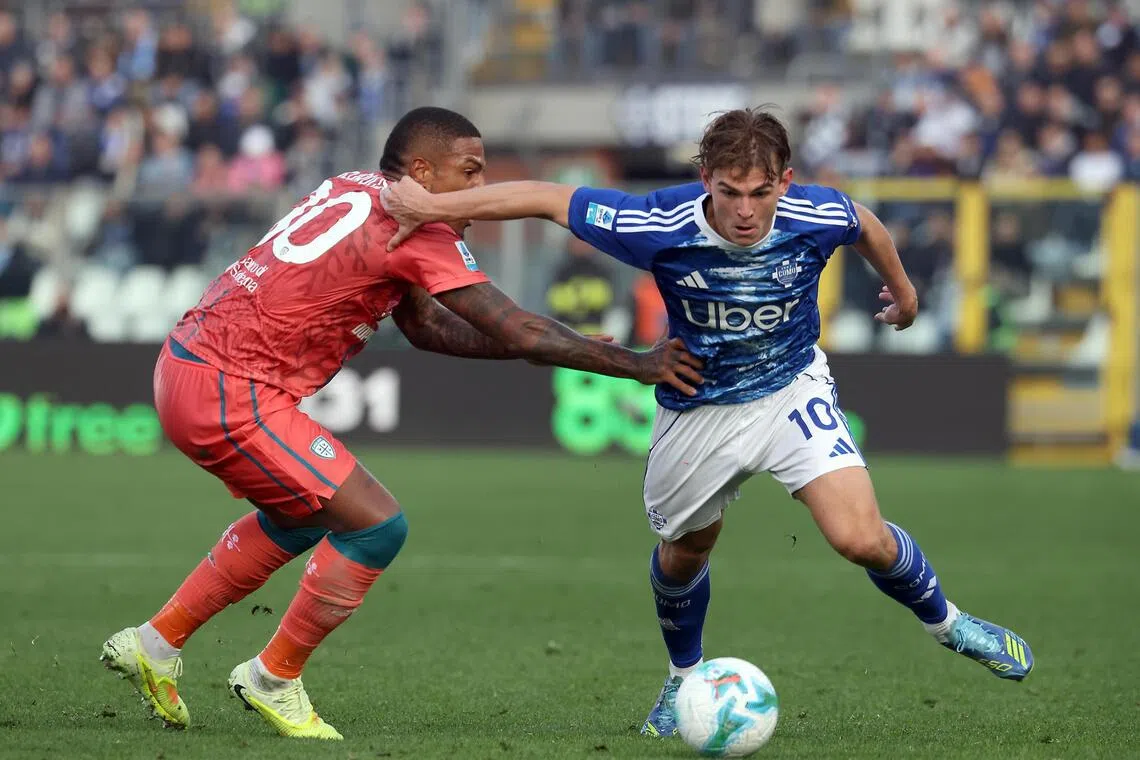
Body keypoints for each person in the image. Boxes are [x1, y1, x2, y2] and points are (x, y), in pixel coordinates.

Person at [379, 107, 1035, 739]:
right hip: (697, 403)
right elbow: (549, 198)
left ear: (783, 182)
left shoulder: (814, 211)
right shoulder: (656, 223)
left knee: (859, 537)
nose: (745, 211)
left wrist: (906, 290)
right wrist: (433, 208)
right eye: (729, 193)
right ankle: (681, 677)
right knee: (687, 551)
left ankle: (949, 624)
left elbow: (863, 223)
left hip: (789, 389)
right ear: (706, 183)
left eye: (759, 193)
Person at [99, 106, 703, 741]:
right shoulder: (421, 234)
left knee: (304, 515)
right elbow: (516, 325)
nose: (481, 191)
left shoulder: (352, 185)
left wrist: (543, 344)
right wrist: (633, 363)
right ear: (422, 171)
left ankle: (155, 644)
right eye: (469, 174)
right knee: (377, 526)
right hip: (231, 387)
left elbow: (426, 327)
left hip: (186, 365)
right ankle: (273, 677)